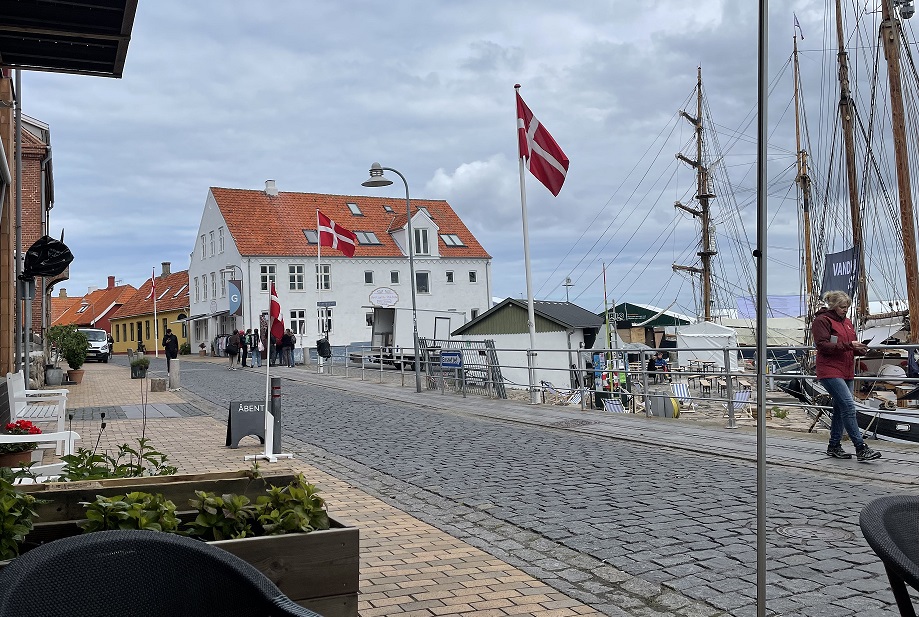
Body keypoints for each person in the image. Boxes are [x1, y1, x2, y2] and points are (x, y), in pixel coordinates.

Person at [811, 290, 881, 462]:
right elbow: (822, 345)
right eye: (842, 307)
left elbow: (847, 346)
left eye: (847, 307)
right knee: (849, 406)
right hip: (830, 370)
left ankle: (834, 446)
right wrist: (849, 345)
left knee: (840, 408)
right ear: (834, 306)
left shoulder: (848, 322)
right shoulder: (822, 321)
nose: (845, 310)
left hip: (847, 370)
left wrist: (859, 349)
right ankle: (860, 447)